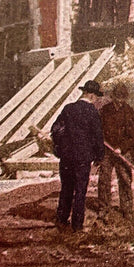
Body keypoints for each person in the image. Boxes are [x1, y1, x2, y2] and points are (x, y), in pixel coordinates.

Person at [52, 80, 105, 232]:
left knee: (66, 188)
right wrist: (99, 156)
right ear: (91, 95)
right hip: (83, 157)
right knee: (80, 191)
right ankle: (77, 225)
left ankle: (61, 220)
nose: (96, 99)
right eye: (95, 96)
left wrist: (60, 149)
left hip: (67, 157)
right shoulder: (92, 112)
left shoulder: (68, 109)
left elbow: (55, 129)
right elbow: (97, 137)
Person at [98, 82, 134, 220]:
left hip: (124, 150)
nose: (119, 101)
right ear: (113, 97)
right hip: (107, 150)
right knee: (104, 179)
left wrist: (121, 148)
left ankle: (127, 209)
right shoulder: (105, 110)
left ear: (125, 98)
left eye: (122, 98)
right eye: (117, 97)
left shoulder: (129, 112)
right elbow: (99, 129)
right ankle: (103, 208)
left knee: (124, 179)